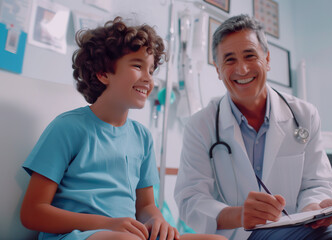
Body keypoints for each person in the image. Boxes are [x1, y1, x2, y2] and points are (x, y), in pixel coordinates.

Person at [20, 17, 226, 240]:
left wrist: (157, 220)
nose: (148, 78)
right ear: (103, 73)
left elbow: (146, 206)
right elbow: (32, 213)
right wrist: (108, 224)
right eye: (138, 66)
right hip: (77, 235)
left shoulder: (142, 137)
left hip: (128, 235)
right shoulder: (68, 127)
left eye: (151, 70)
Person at [174, 14, 332, 240]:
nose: (242, 69)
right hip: (237, 234)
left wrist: (313, 208)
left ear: (267, 60)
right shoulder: (201, 125)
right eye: (229, 60)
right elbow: (190, 200)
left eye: (250, 56)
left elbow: (316, 182)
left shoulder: (303, 115)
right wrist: (240, 215)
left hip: (296, 229)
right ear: (218, 70)